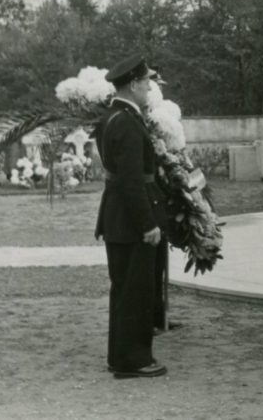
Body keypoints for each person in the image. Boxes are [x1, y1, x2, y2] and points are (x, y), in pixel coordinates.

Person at [94, 56, 168, 379]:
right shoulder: (126, 122)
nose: (150, 86)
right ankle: (134, 360)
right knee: (135, 291)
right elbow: (131, 181)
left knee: (123, 289)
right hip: (131, 220)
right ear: (134, 83)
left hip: (117, 219)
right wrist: (148, 223)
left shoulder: (111, 117)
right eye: (147, 81)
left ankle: (119, 356)